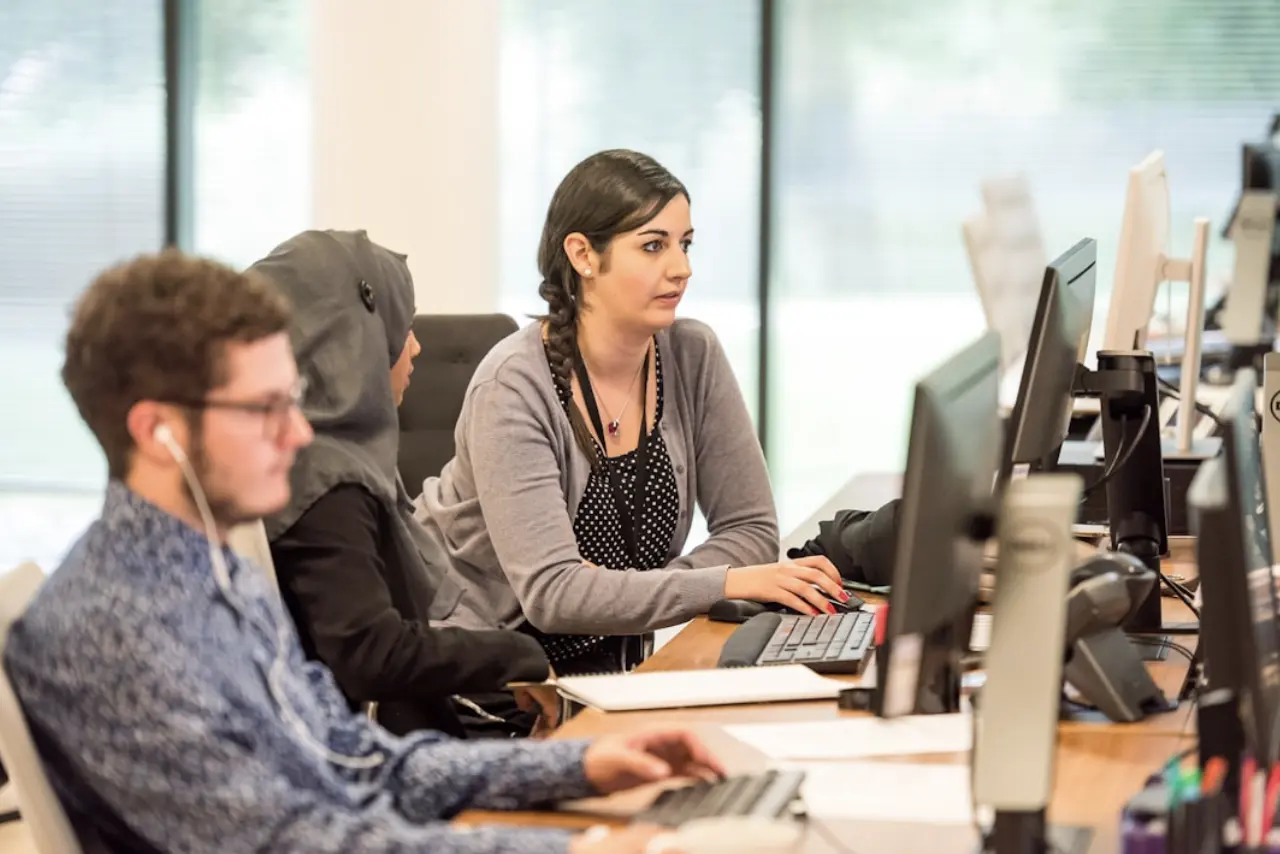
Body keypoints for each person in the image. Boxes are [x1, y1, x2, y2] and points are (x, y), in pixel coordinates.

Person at [4, 249, 722, 853]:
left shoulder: (214, 575)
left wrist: (580, 766)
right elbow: (298, 843)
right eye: (264, 409)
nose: (296, 434)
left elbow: (357, 761)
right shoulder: (117, 628)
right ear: (157, 431)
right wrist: (574, 849)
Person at [414, 149, 849, 675]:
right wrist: (722, 582)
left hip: (614, 670)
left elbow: (751, 529)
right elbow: (554, 594)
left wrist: (635, 593)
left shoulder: (692, 354)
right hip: (492, 679)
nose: (681, 268)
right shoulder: (514, 386)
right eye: (653, 246)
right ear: (583, 256)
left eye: (685, 244)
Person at [252, 230, 552, 739]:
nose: (415, 345)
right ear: (354, 341)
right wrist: (519, 656)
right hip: (378, 761)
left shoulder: (317, 460)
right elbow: (370, 654)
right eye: (402, 327)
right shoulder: (327, 483)